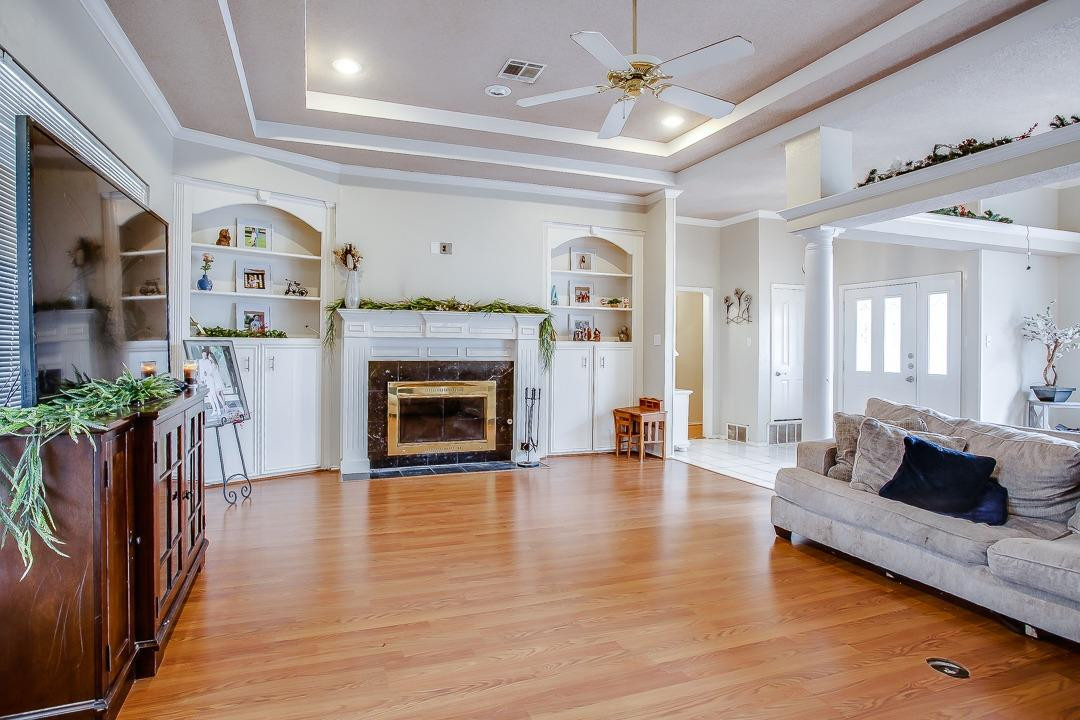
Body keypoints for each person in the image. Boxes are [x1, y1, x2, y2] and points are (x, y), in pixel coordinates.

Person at [196, 347, 228, 422]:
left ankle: (219, 409)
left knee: (214, 395)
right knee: (209, 396)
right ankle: (214, 410)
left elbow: (211, 371)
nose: (204, 355)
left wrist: (207, 373)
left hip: (210, 380)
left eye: (205, 354)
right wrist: (201, 379)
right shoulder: (200, 361)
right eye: (203, 354)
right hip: (205, 380)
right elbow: (200, 371)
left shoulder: (208, 361)